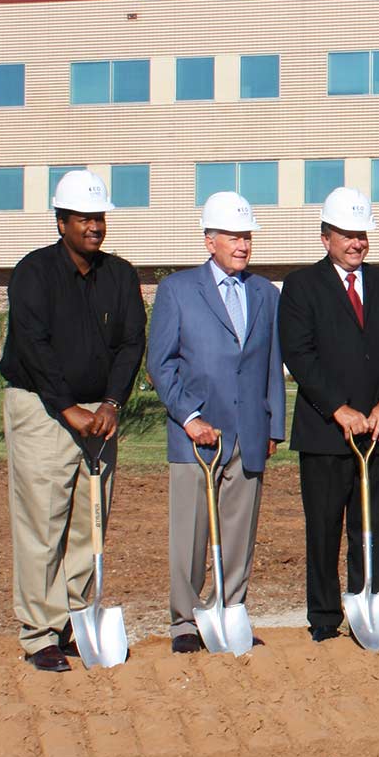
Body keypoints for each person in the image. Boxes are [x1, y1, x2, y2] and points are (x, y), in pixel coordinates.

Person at [0, 169, 146, 671]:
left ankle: (77, 620)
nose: (94, 227)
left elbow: (131, 344)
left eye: (99, 217)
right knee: (43, 523)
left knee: (90, 525)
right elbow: (33, 348)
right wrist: (68, 409)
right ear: (61, 222)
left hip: (100, 417)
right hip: (43, 411)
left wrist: (111, 403)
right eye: (83, 218)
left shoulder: (120, 275)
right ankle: (40, 632)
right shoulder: (33, 273)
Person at [147, 192, 285, 652]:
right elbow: (161, 364)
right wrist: (189, 418)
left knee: (239, 533)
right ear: (209, 241)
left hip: (248, 431)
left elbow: (270, 364)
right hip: (196, 435)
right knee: (190, 533)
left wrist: (272, 427)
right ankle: (184, 622)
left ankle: (229, 609)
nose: (243, 244)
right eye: (234, 236)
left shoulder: (266, 293)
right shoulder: (178, 291)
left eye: (247, 236)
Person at [278, 187, 379, 643]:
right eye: (347, 234)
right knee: (324, 529)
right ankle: (323, 617)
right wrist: (339, 408)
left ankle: (369, 604)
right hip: (325, 433)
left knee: (372, 528)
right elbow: (300, 355)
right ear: (325, 238)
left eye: (362, 234)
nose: (357, 243)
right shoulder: (301, 286)